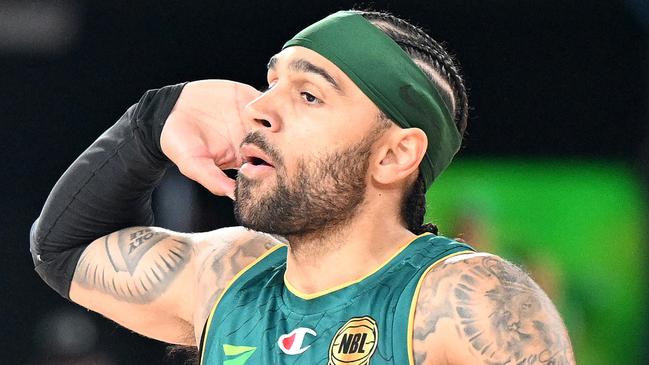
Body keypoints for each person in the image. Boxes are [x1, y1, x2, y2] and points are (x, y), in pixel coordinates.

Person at [30, 9, 576, 365]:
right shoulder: (228, 276)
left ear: (393, 155)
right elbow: (63, 249)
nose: (257, 109)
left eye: (309, 95)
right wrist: (153, 120)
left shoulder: (463, 300)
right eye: (270, 85)